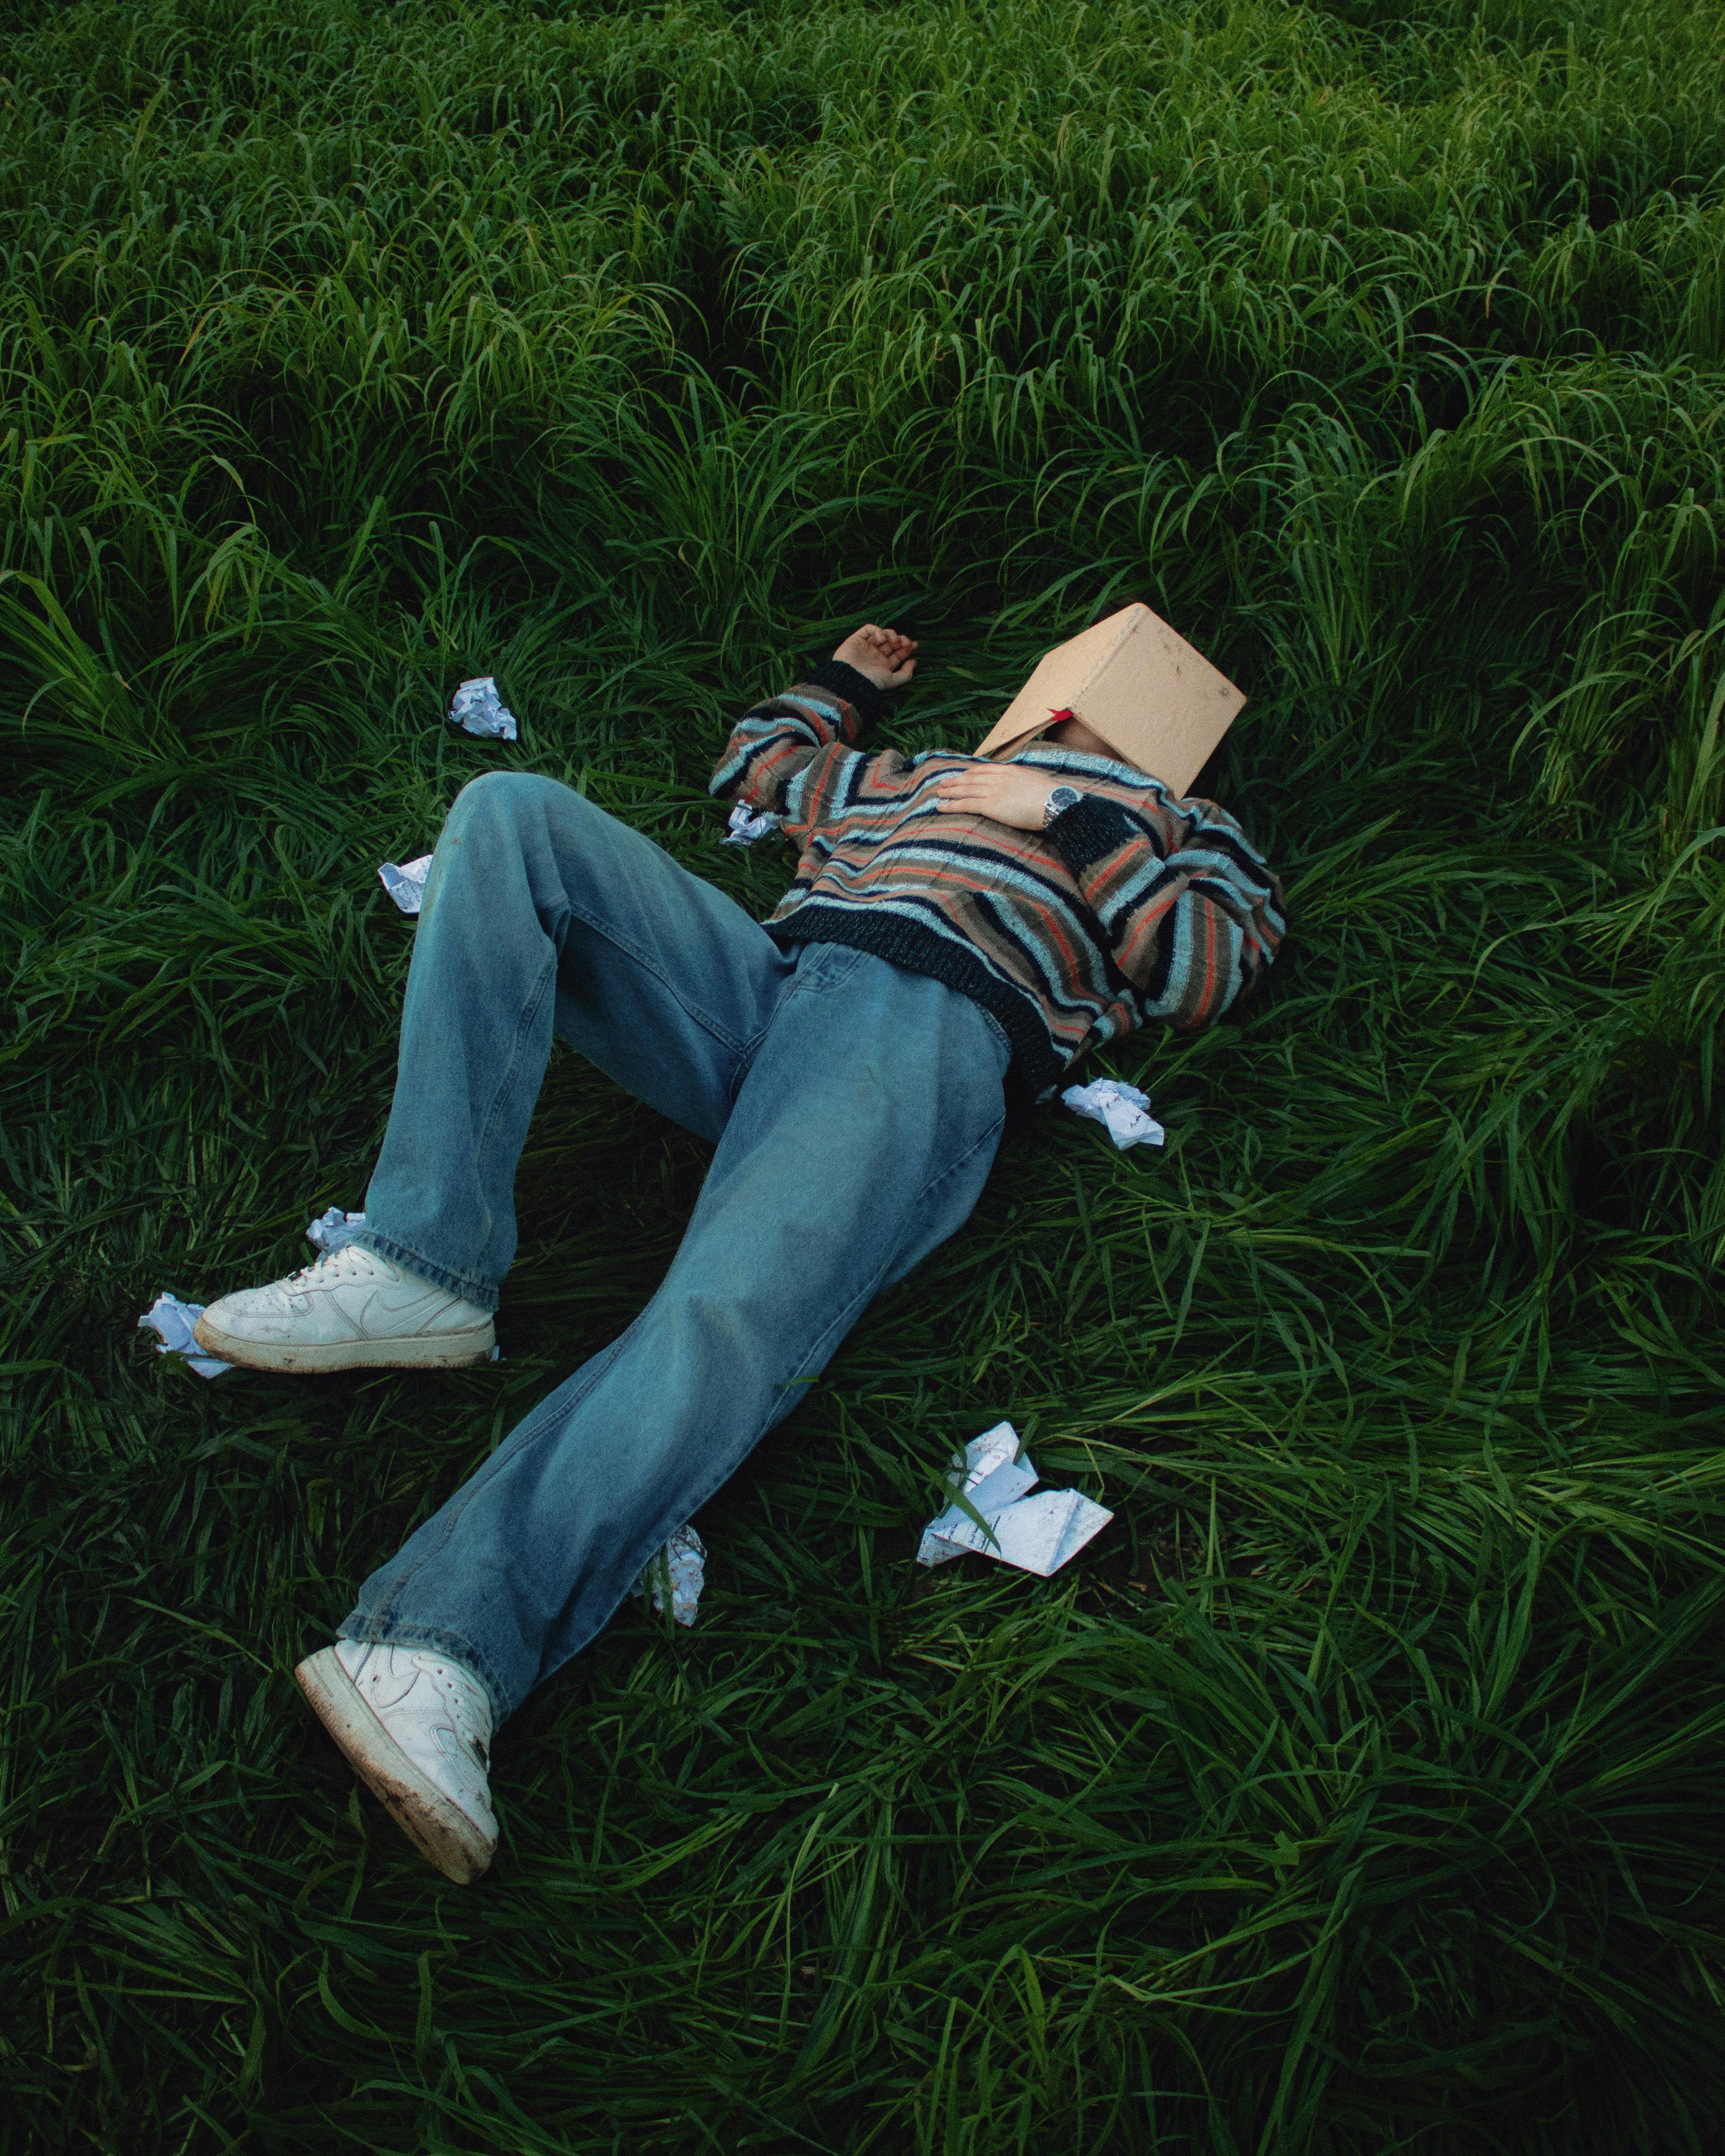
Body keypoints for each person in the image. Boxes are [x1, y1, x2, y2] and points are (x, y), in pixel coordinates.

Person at [195, 623, 1286, 1883]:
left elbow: (1208, 969)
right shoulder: (928, 773)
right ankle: (423, 1261)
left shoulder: (1183, 824)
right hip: (770, 983)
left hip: (924, 1027)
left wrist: (1064, 815)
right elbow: (760, 769)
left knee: (724, 1310)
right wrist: (847, 685)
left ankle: (439, 1638)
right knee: (511, 813)